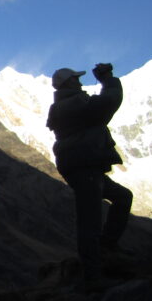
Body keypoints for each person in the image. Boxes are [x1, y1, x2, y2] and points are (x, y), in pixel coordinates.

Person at [46, 63, 133, 283]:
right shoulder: (75, 104)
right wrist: (107, 79)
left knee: (122, 197)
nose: (80, 81)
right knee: (90, 221)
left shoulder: (63, 106)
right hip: (85, 168)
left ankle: (105, 248)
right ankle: (93, 276)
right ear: (69, 83)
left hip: (85, 167)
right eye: (76, 78)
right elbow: (109, 102)